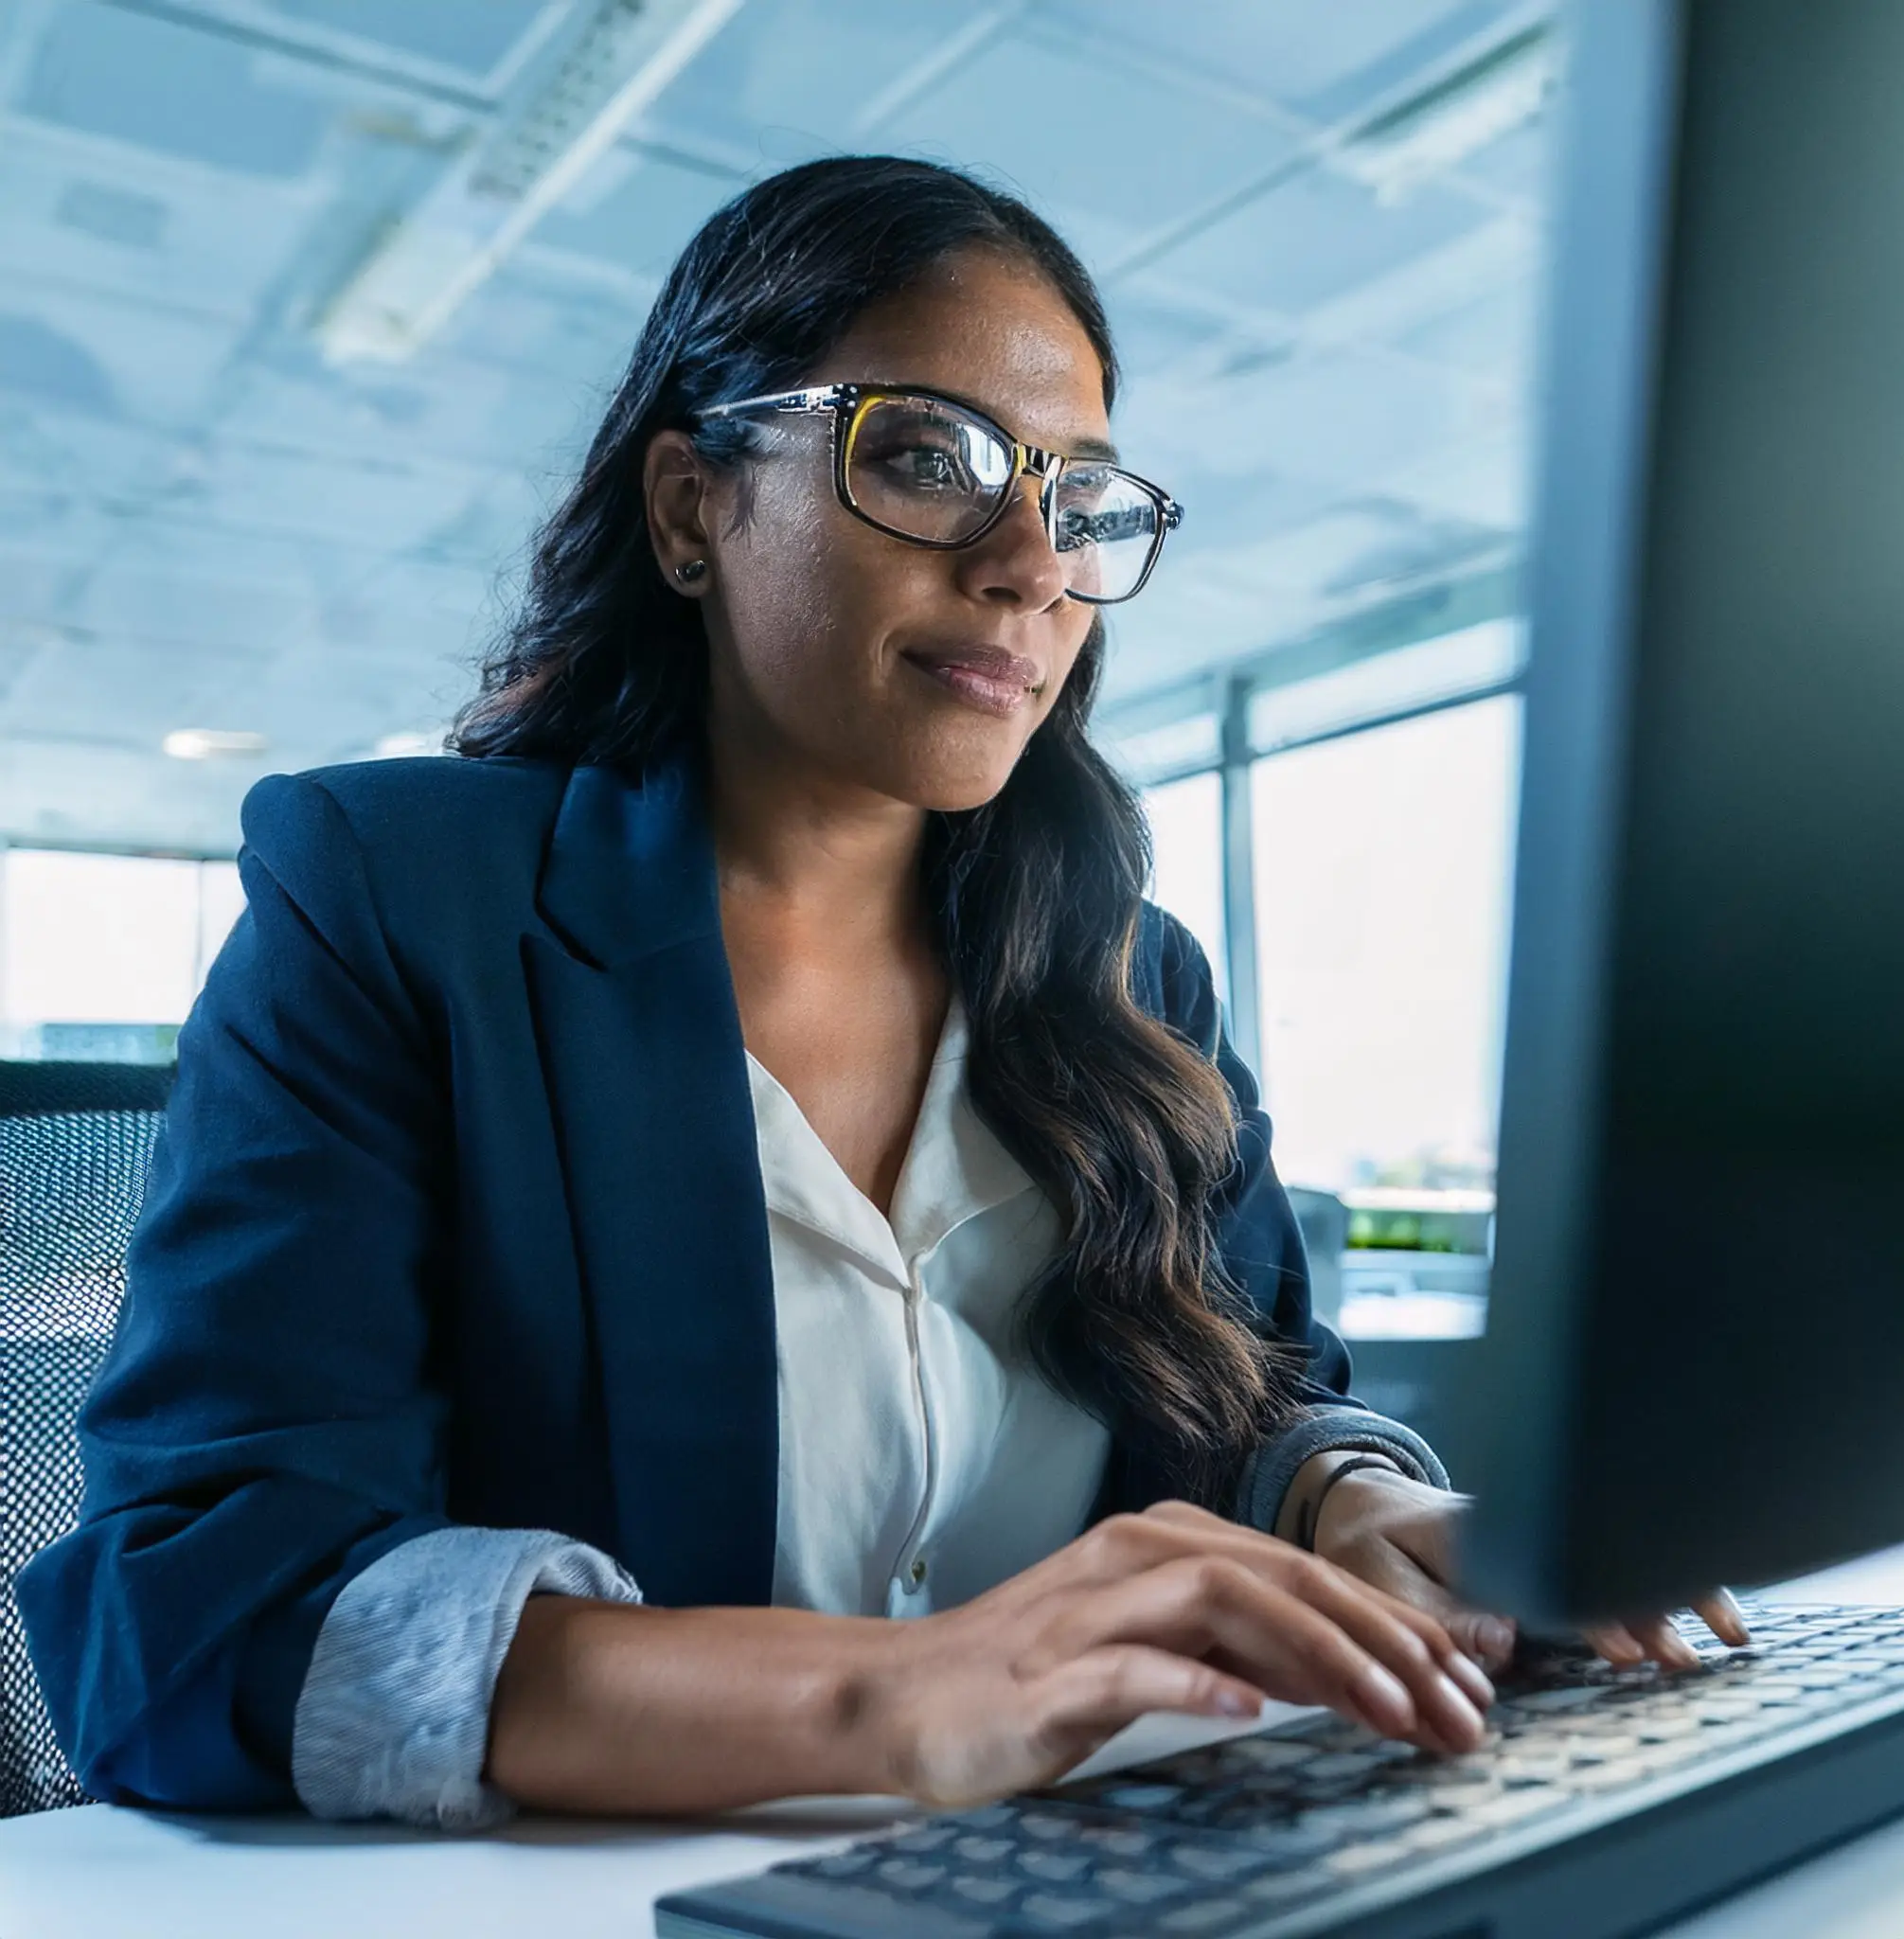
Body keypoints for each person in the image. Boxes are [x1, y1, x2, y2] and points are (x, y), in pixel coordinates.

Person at [20, 156, 1740, 1831]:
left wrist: (1347, 1501)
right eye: (928, 456)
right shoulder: (403, 902)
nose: (1026, 566)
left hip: (1098, 1878)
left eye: (1078, 501)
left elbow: (1259, 1392)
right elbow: (190, 1612)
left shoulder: (1135, 983)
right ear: (696, 504)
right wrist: (888, 1694)